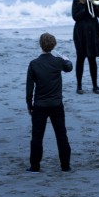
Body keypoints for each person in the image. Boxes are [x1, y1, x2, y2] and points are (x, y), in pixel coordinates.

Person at [26, 32, 73, 172]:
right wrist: (66, 59)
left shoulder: (34, 64)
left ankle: (35, 166)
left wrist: (29, 105)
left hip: (40, 105)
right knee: (61, 135)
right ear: (54, 46)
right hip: (56, 105)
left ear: (40, 45)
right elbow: (69, 67)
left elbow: (29, 88)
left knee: (37, 137)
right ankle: (65, 166)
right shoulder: (58, 62)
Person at [72, 0, 99, 94]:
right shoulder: (76, 1)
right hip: (80, 32)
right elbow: (75, 17)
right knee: (80, 59)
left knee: (92, 59)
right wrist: (85, 6)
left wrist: (95, 5)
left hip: (93, 31)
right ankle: (79, 86)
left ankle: (95, 86)